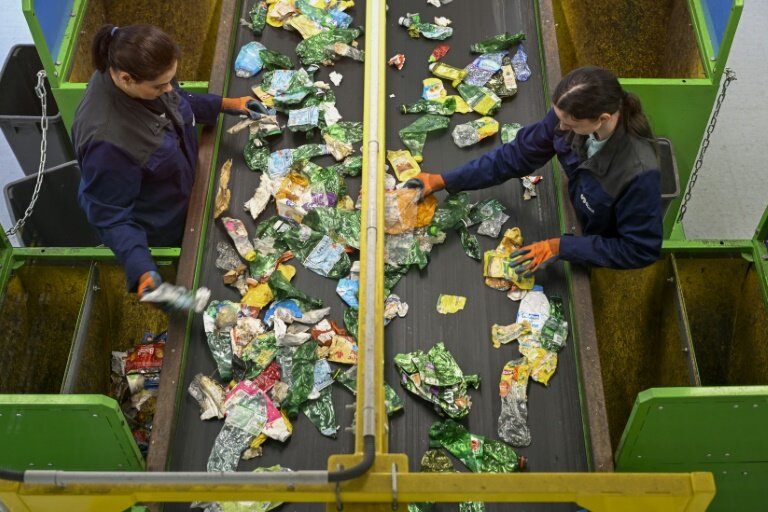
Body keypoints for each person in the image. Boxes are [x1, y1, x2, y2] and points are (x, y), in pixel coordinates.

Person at [406, 65, 662, 275]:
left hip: (602, 231)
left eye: (569, 123)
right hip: (584, 198)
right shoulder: (570, 116)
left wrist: (562, 247)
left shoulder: (638, 174)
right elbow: (516, 156)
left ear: (602, 119)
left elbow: (639, 249)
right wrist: (444, 180)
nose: (559, 127)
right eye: (558, 117)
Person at [72, 24, 256, 301]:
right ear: (126, 79)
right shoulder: (108, 142)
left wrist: (227, 104)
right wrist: (141, 268)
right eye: (160, 85)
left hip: (189, 190)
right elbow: (109, 216)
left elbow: (175, 102)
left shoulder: (143, 74)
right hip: (166, 223)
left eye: (171, 78)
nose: (169, 87)